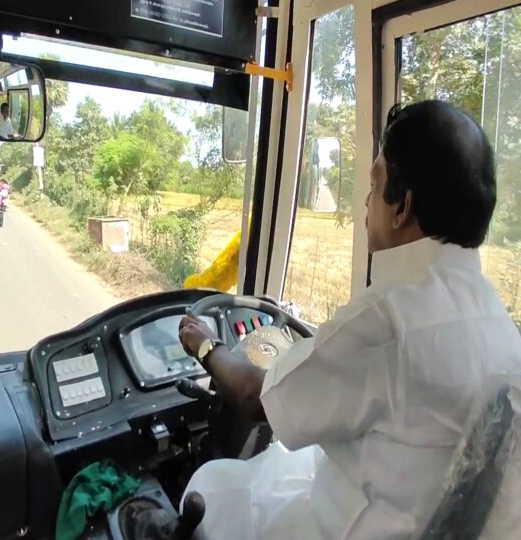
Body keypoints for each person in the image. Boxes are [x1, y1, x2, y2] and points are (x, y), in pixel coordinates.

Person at [177, 100, 521, 539]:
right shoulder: (501, 326)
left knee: (214, 485)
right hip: (415, 517)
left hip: (343, 527)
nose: (365, 200)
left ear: (402, 207)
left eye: (375, 185)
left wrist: (205, 345)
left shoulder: (386, 321)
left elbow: (251, 396)